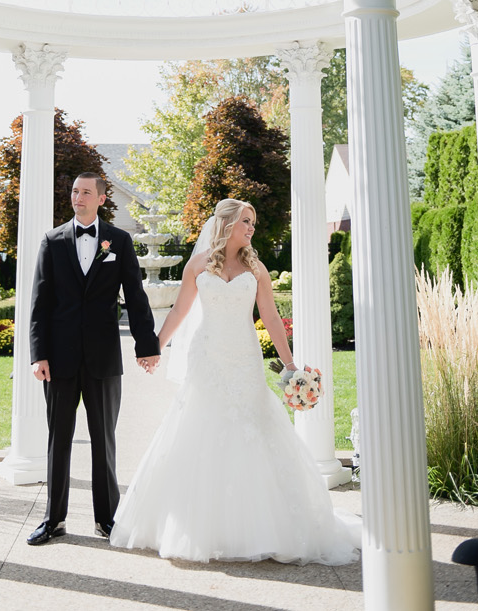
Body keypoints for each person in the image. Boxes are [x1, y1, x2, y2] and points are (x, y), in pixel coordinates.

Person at [110, 198, 359, 564]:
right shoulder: (199, 264)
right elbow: (180, 311)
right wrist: (155, 347)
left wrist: (290, 366)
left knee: (254, 429)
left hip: (244, 359)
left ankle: (265, 527)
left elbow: (272, 318)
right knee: (199, 428)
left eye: (253, 222)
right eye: (246, 221)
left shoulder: (256, 268)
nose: (251, 228)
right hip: (207, 358)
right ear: (226, 223)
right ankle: (198, 527)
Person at [26, 172, 161, 546]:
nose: (77, 197)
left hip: (103, 358)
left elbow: (135, 296)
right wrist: (39, 355)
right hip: (59, 360)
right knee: (59, 440)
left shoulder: (119, 240)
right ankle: (53, 520)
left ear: (102, 198)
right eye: (74, 191)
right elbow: (39, 304)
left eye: (86, 192)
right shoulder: (52, 241)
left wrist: (146, 345)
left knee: (104, 440)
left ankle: (106, 520)